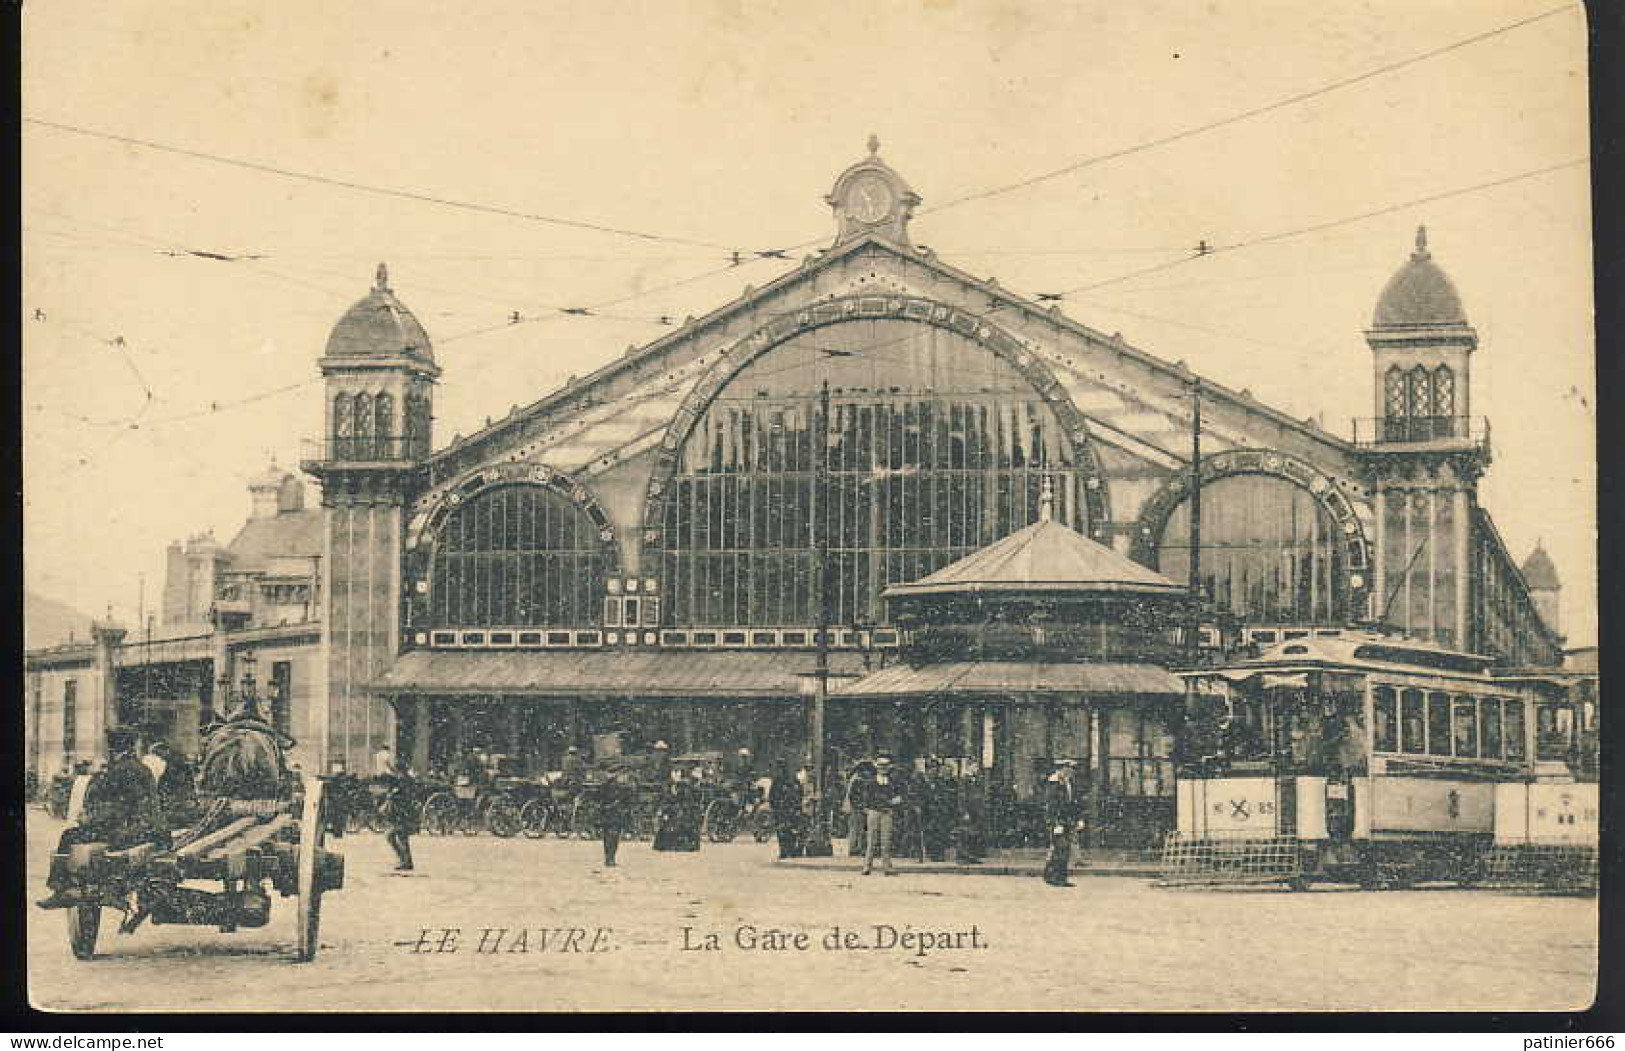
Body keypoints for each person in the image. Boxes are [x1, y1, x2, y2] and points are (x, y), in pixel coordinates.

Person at [39, 728, 163, 909]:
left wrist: (88, 820)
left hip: (128, 833)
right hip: (149, 830)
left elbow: (114, 812)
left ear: (113, 748)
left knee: (69, 836)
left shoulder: (117, 771)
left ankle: (62, 889)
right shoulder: (143, 769)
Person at [854, 754, 904, 876]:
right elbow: (866, 797)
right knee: (871, 840)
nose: (883, 768)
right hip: (874, 812)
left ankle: (887, 867)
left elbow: (899, 795)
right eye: (881, 766)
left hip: (887, 812)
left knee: (886, 840)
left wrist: (896, 801)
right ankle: (867, 866)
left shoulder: (892, 781)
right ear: (877, 767)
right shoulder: (870, 781)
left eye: (886, 766)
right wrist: (868, 808)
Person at [1042, 759, 1086, 888]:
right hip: (1058, 823)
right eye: (1068, 769)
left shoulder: (1068, 782)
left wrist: (1079, 819)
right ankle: (1054, 877)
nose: (1071, 772)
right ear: (1061, 769)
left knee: (1062, 850)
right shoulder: (1053, 783)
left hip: (1067, 821)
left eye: (1072, 769)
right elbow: (1051, 806)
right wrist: (1056, 824)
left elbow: (1074, 803)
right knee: (1060, 848)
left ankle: (1057, 877)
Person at [379, 753, 417, 872]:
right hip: (405, 814)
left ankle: (404, 860)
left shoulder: (403, 781)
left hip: (402, 814)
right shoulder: (407, 779)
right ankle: (406, 861)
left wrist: (391, 795)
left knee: (391, 836)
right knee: (402, 838)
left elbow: (398, 795)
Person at [151, 741, 197, 830]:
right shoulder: (172, 766)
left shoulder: (171, 767)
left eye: (158, 754)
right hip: (182, 805)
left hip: (180, 806)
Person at [922, 759, 957, 862]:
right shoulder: (921, 782)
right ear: (927, 770)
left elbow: (944, 796)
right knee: (931, 827)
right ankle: (931, 852)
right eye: (931, 769)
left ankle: (938, 853)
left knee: (940, 826)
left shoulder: (940, 783)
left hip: (938, 812)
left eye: (935, 770)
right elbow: (918, 797)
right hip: (925, 812)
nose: (934, 772)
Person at [767, 762, 804, 859]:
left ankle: (787, 850)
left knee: (786, 831)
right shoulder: (785, 780)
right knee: (786, 830)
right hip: (785, 809)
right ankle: (787, 850)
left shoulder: (786, 780)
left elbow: (799, 794)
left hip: (785, 809)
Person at [597, 773, 630, 868]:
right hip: (612, 815)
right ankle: (610, 858)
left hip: (610, 815)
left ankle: (609, 858)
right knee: (612, 837)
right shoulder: (612, 788)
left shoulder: (608, 787)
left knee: (609, 837)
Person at [843, 760, 874, 857]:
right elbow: (854, 796)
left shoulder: (857, 779)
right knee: (857, 828)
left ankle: (857, 847)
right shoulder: (857, 780)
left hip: (859, 808)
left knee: (859, 829)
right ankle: (855, 848)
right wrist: (861, 806)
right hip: (857, 809)